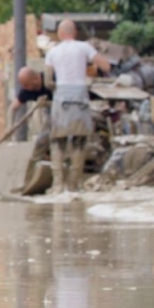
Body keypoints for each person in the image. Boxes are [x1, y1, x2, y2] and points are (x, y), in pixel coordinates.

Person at [44, 19, 107, 194]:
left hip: (61, 96)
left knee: (57, 140)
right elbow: (106, 65)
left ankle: (58, 185)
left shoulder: (52, 51)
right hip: (80, 95)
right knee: (79, 140)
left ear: (60, 33)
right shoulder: (84, 47)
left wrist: (57, 87)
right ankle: (74, 184)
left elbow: (48, 81)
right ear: (75, 32)